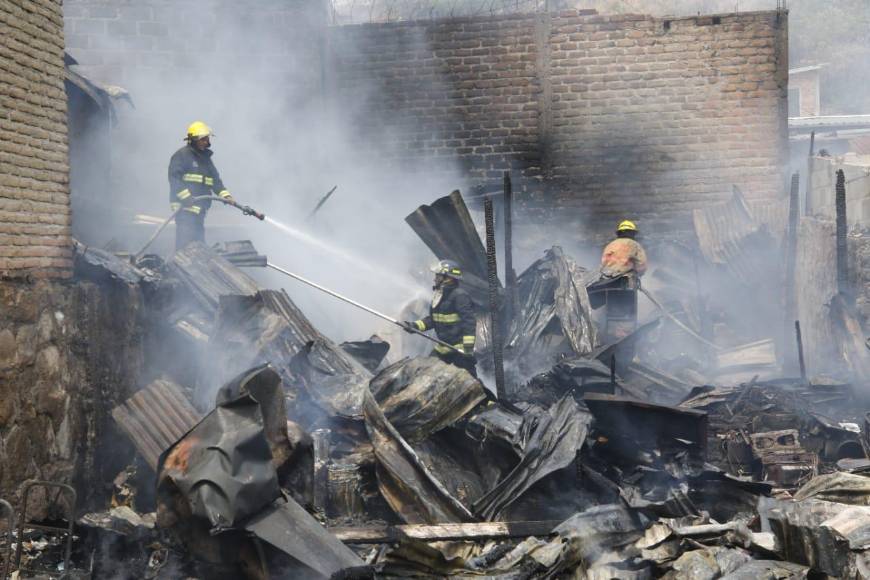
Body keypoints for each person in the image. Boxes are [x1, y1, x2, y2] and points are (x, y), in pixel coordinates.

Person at [168, 121, 235, 250]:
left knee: (198, 245)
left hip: (199, 210)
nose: (206, 142)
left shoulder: (205, 159)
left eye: (207, 139)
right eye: (203, 139)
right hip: (184, 210)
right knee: (185, 245)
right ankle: (180, 261)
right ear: (193, 140)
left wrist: (226, 196)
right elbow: (175, 179)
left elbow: (215, 181)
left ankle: (196, 262)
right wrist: (186, 197)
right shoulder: (182, 155)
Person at [403, 260, 477, 376]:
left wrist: (467, 350)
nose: (435, 279)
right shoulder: (439, 296)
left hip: (459, 350)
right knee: (425, 373)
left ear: (448, 278)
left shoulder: (460, 296)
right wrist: (414, 326)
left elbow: (469, 323)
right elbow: (433, 320)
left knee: (468, 381)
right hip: (443, 348)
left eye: (438, 276)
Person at [588, 220, 648, 345]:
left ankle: (609, 337)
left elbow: (603, 264)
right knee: (628, 313)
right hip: (626, 284)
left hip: (608, 284)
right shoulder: (635, 245)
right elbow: (642, 265)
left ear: (619, 233)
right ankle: (626, 337)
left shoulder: (610, 246)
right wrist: (638, 274)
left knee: (610, 312)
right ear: (633, 233)